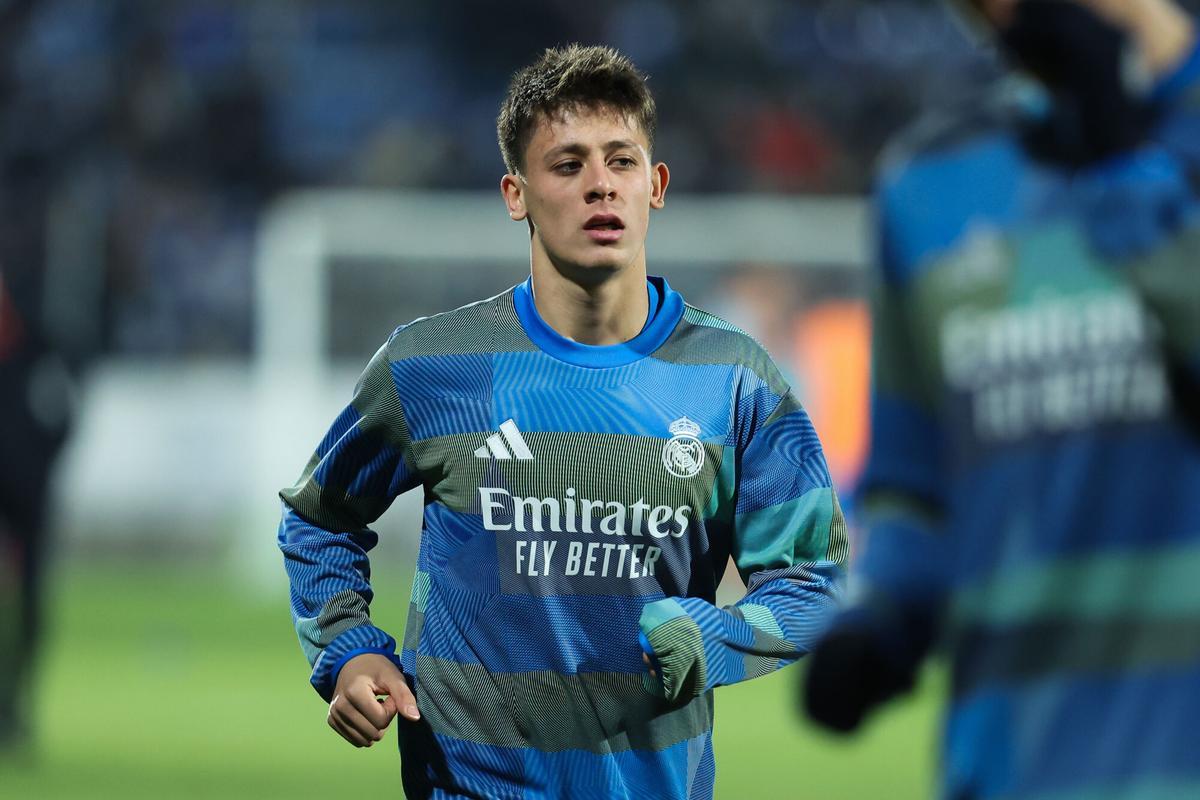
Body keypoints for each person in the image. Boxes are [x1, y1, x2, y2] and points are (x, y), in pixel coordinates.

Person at [279, 44, 847, 799]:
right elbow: (318, 520)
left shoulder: (735, 380)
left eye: (621, 161)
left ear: (657, 184)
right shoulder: (432, 365)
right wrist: (349, 649)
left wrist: (716, 637)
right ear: (516, 193)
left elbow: (815, 583)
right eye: (568, 165)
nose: (600, 186)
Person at [802, 1, 1200, 798]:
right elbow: (917, 486)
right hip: (1012, 765)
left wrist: (1124, 162)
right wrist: (888, 614)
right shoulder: (928, 183)